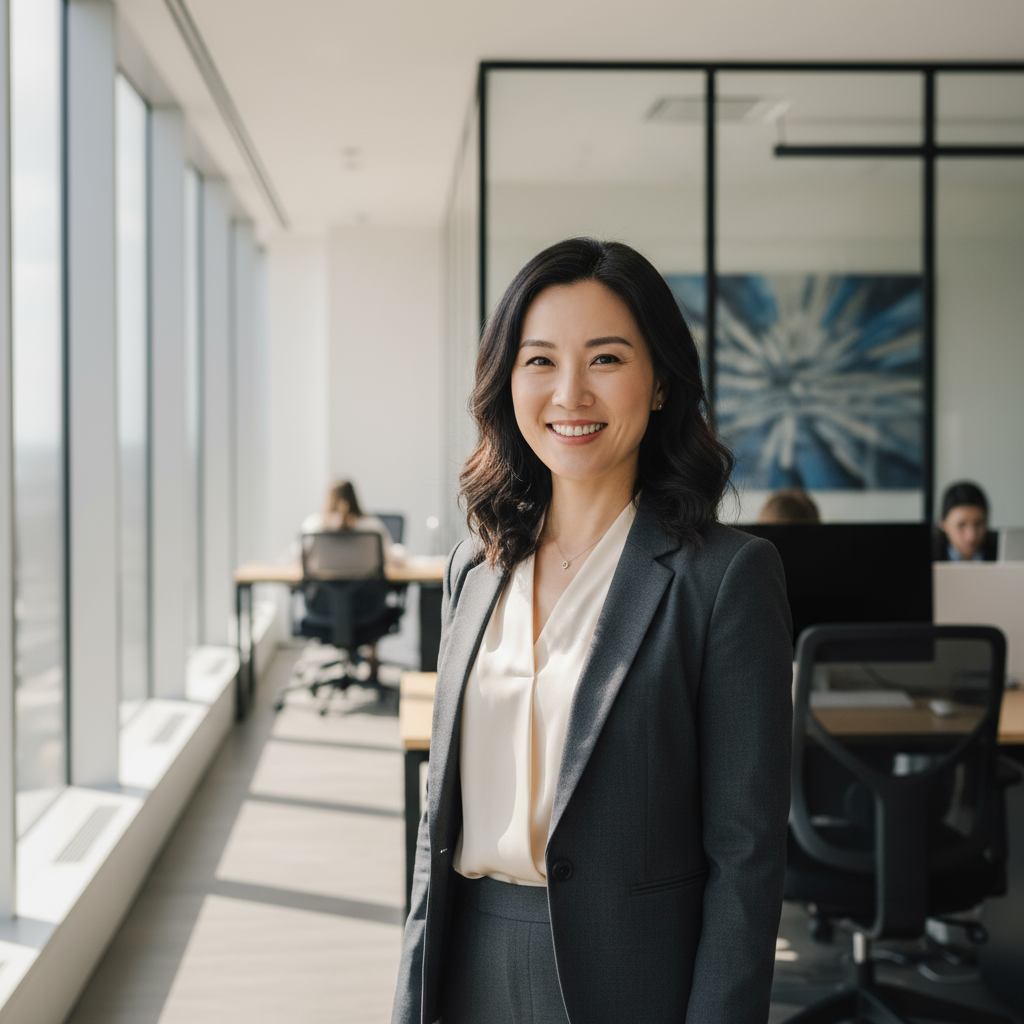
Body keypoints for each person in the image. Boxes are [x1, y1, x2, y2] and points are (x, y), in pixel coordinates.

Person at [392, 238, 793, 1024]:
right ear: (507, 382)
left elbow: (746, 859)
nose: (569, 393)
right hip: (469, 963)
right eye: (539, 361)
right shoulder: (474, 569)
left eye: (605, 359)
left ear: (662, 386)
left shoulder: (725, 578)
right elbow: (435, 830)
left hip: (634, 980)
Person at [302, 478, 392, 557]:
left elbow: (297, 556)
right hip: (365, 576)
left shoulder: (313, 525)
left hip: (321, 576)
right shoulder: (372, 526)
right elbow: (388, 555)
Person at [933, 481, 998, 562]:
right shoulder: (928, 554)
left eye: (978, 524)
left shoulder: (1002, 550)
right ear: (943, 524)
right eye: (961, 525)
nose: (971, 536)